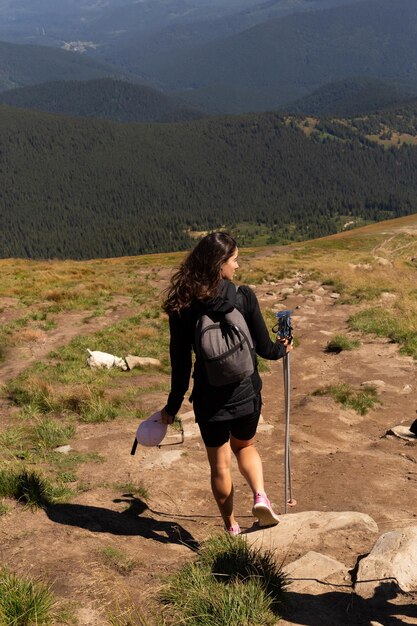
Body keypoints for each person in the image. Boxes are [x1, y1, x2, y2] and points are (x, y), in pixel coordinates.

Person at [160, 232, 293, 536]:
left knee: (219, 465)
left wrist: (172, 407)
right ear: (219, 264)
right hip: (246, 393)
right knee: (245, 446)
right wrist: (283, 347)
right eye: (234, 259)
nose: (237, 265)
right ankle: (260, 495)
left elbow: (180, 365)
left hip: (209, 401)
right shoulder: (243, 296)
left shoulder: (182, 307)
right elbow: (265, 349)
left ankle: (231, 527)